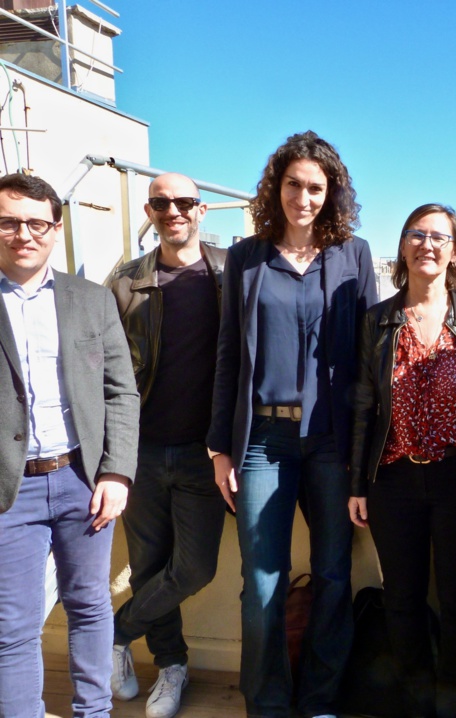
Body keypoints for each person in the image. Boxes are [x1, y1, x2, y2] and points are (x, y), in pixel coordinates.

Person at [207, 131, 377, 718]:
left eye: (315, 187)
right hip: (263, 443)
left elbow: (367, 357)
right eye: (293, 185)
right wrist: (218, 449)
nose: (303, 197)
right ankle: (268, 703)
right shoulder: (246, 257)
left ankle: (321, 701)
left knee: (333, 575)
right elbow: (229, 351)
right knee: (261, 585)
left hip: (331, 443)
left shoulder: (352, 255)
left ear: (331, 194)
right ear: (275, 188)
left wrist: (365, 452)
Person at [349, 204, 456, 718]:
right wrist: (357, 483)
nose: (427, 244)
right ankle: (415, 698)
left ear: (455, 251)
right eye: (417, 234)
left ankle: (454, 697)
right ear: (404, 247)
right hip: (394, 479)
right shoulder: (377, 320)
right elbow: (364, 404)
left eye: (439, 237)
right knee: (403, 598)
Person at [0, 172, 139, 717]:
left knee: (90, 606)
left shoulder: (92, 300)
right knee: (14, 623)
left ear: (56, 229)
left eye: (37, 223)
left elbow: (121, 393)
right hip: (11, 489)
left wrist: (116, 472)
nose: (23, 234)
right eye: (9, 222)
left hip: (82, 479)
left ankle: (94, 712)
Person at [107, 173, 227, 718]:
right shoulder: (126, 280)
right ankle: (171, 666)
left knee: (196, 567)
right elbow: (101, 367)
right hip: (142, 452)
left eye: (184, 202)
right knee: (150, 566)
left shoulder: (231, 272)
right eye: (161, 203)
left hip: (208, 453)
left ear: (201, 210)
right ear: (150, 211)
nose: (173, 211)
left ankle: (109, 633)